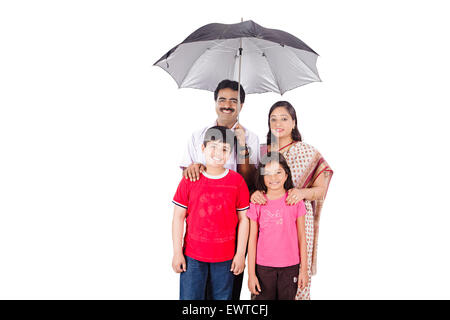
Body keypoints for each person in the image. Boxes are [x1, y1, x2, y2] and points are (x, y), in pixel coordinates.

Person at [180, 79, 260, 299]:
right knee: (196, 287)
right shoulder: (198, 135)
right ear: (215, 102)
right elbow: (188, 179)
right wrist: (194, 166)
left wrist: (242, 146)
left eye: (234, 100)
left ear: (241, 106)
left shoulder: (251, 137)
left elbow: (252, 182)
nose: (227, 104)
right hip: (202, 222)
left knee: (228, 286)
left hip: (234, 218)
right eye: (222, 99)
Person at [250, 101, 333, 300]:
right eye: (273, 119)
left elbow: (321, 189)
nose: (278, 123)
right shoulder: (261, 151)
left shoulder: (307, 151)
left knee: (296, 286)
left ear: (294, 123)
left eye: (284, 118)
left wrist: (302, 193)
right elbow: (251, 183)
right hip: (266, 224)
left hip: (296, 220)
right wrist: (253, 193)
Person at [172, 126, 250, 300]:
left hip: (226, 258)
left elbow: (244, 219)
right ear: (203, 148)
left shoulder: (237, 182)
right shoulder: (190, 179)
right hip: (193, 256)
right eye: (213, 147)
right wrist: (177, 252)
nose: (218, 153)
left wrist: (239, 254)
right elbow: (178, 217)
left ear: (230, 153)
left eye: (224, 149)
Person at [247, 152, 308, 300]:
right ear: (262, 176)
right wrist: (251, 274)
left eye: (278, 172)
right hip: (263, 267)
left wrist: (304, 271)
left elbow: (302, 237)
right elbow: (252, 240)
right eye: (267, 173)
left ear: (286, 175)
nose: (273, 178)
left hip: (290, 267)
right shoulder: (257, 203)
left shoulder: (295, 201)